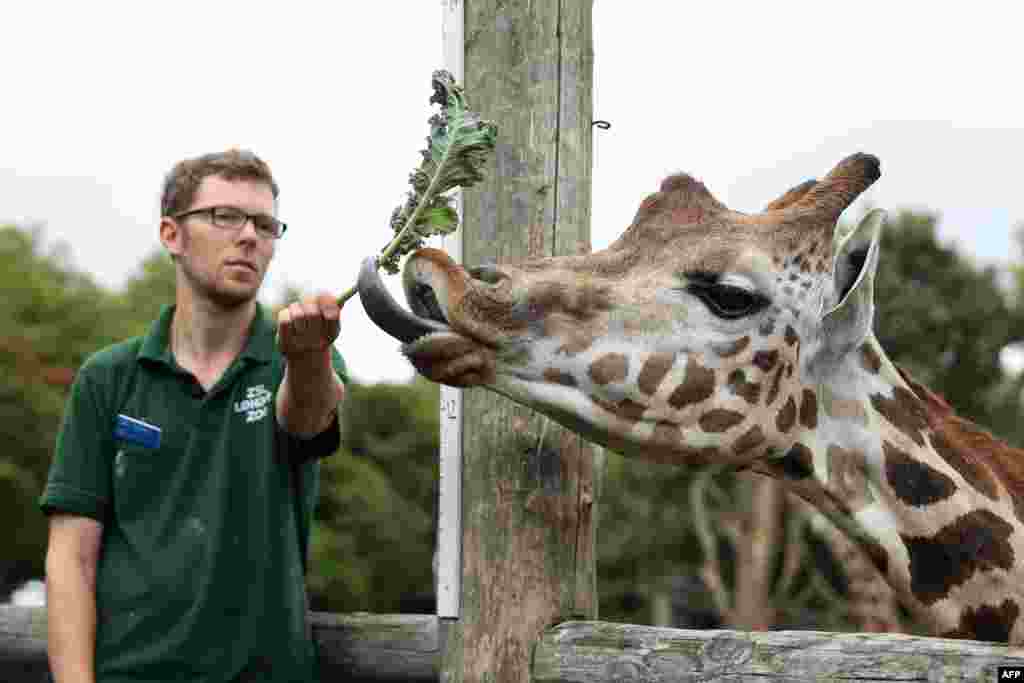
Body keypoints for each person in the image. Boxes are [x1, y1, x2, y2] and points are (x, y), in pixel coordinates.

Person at [39, 149, 347, 683]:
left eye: (266, 224)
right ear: (171, 234)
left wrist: (308, 356)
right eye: (225, 216)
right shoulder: (108, 378)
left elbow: (306, 419)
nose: (250, 236)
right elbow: (71, 560)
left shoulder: (300, 360)